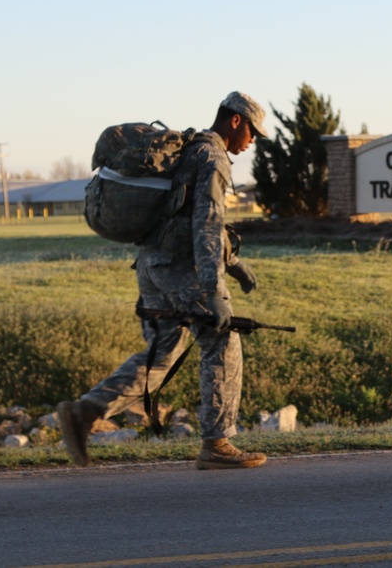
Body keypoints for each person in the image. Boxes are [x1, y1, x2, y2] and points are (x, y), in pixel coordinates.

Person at [58, 91, 269, 470]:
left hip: (151, 264)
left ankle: (85, 412)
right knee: (222, 342)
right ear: (235, 120)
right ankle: (217, 444)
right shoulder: (212, 155)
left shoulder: (191, 150)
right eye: (253, 131)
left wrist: (234, 262)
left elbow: (187, 213)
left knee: (164, 353)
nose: (253, 141)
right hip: (180, 268)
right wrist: (213, 290)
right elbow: (206, 223)